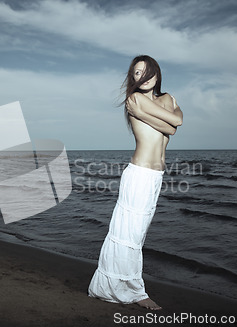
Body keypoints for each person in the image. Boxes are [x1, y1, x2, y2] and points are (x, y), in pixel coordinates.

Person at [88, 55, 183, 310]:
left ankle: (116, 285)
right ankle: (135, 292)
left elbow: (177, 124)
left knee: (136, 235)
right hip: (139, 173)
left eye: (146, 71)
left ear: (156, 73)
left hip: (155, 176)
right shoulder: (134, 99)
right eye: (136, 73)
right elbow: (172, 123)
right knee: (127, 234)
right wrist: (166, 123)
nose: (142, 77)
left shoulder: (168, 98)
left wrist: (151, 118)